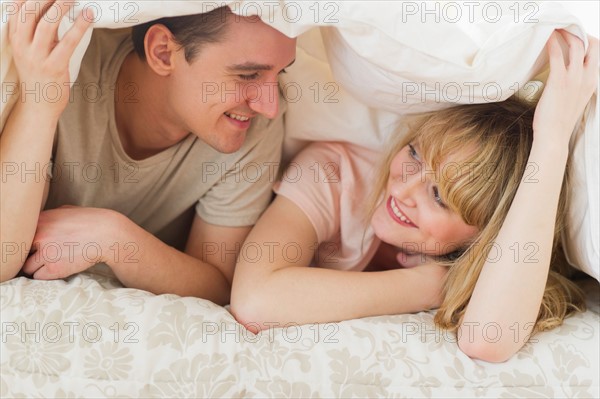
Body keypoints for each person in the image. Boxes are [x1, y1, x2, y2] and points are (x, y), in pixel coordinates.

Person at [230, 30, 598, 362]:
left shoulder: (496, 266)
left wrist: (552, 142)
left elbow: (488, 341)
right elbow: (255, 300)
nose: (403, 188)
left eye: (438, 196)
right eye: (415, 153)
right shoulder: (335, 173)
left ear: (483, 235)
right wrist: (429, 285)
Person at [0, 1, 296, 304]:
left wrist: (114, 238)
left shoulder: (251, 127)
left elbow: (220, 287)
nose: (270, 107)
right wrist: (39, 105)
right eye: (248, 76)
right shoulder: (64, 73)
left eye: (280, 72)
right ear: (163, 52)